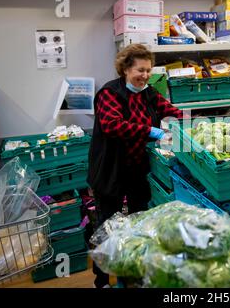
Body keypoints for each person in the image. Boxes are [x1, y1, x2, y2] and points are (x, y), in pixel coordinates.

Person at [87, 44, 182, 288]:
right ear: (126, 69)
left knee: (139, 222)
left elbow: (172, 112)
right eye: (140, 70)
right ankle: (102, 280)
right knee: (108, 226)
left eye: (149, 70)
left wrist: (190, 125)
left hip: (138, 169)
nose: (145, 76)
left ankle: (133, 272)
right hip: (111, 171)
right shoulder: (110, 93)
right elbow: (112, 125)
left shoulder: (149, 92)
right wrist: (151, 131)